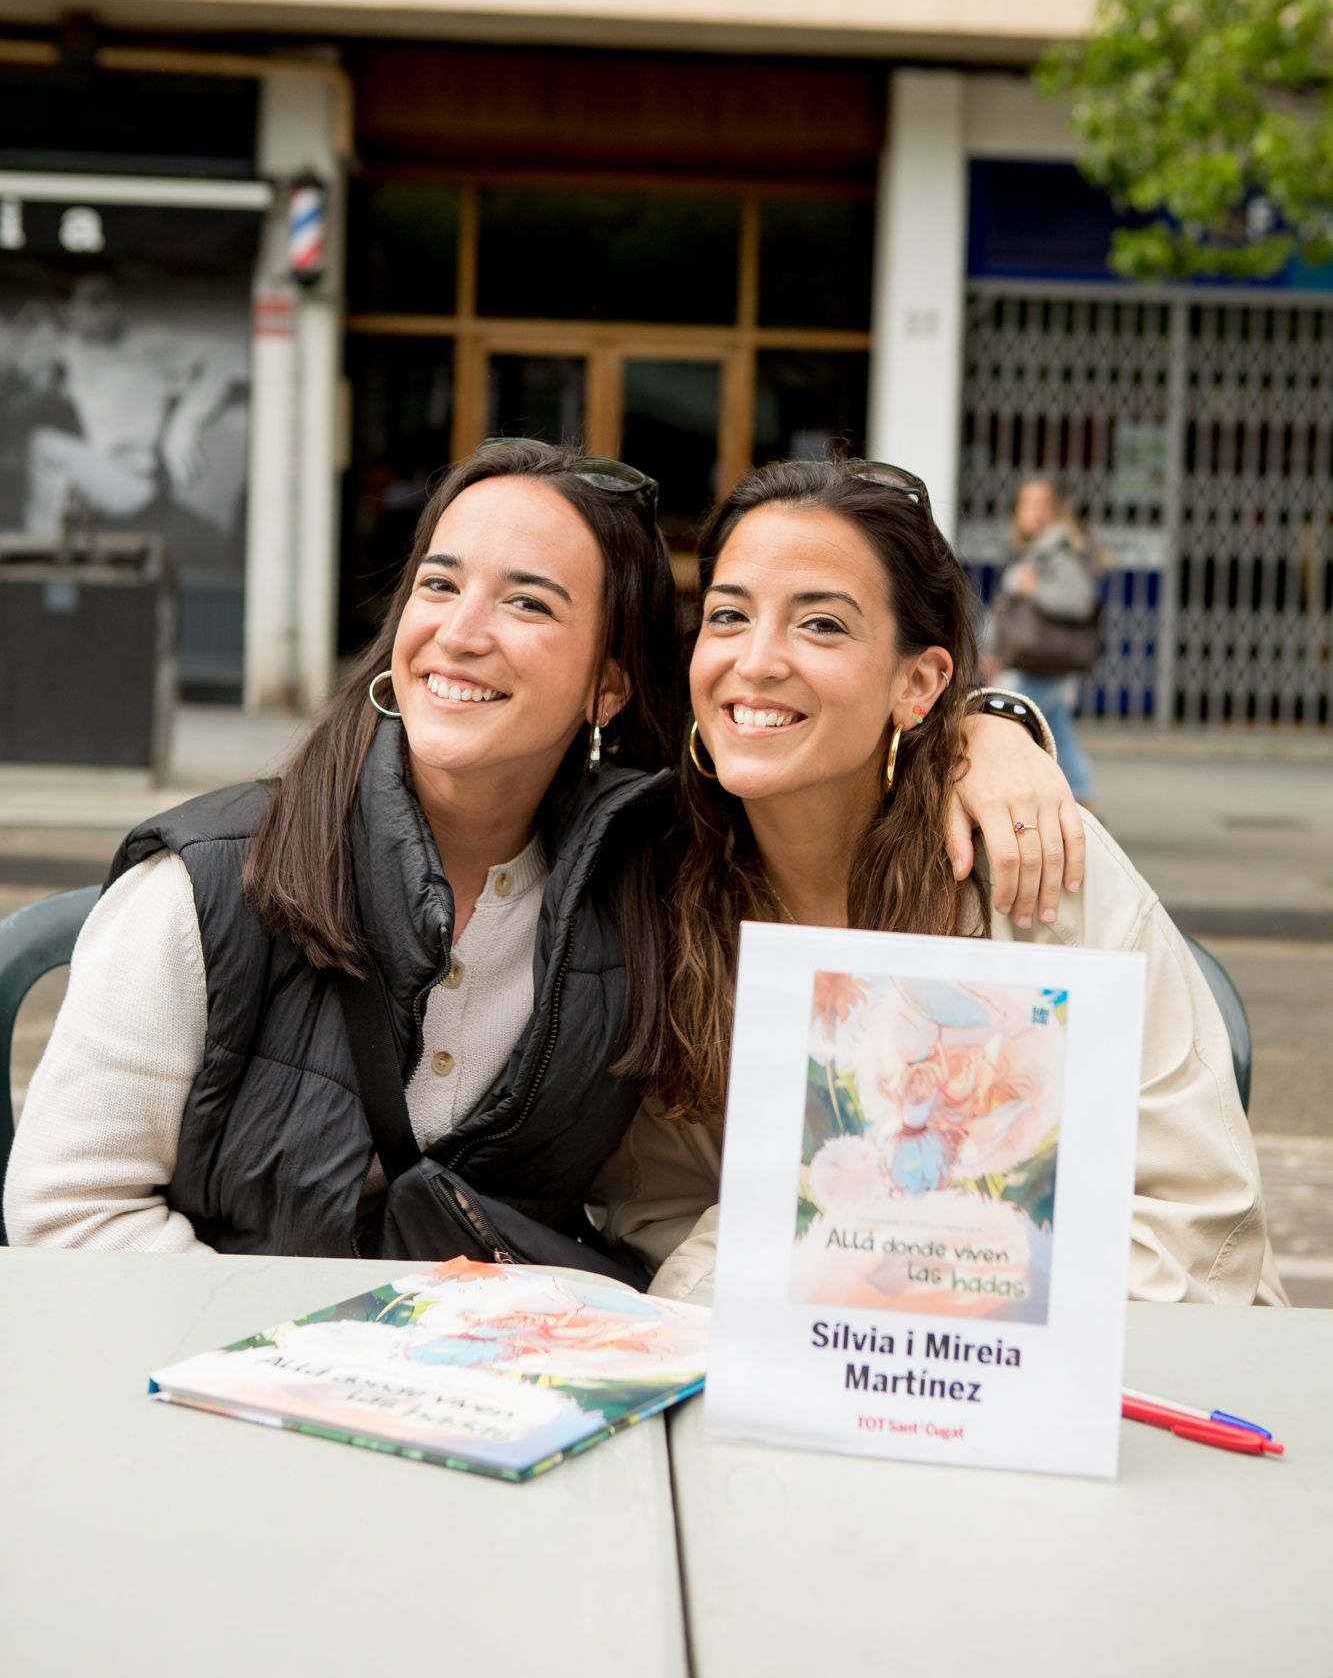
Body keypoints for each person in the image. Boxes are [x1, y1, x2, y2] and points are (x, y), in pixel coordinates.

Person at [5, 440, 1077, 1260]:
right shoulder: (203, 884)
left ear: (608, 684)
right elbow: (67, 1209)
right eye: (438, 583)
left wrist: (986, 727)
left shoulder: (648, 877)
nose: (462, 632)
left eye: (528, 602)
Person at [596, 458, 1285, 1308]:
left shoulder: (1028, 857)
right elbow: (653, 1204)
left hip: (1098, 1384)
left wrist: (891, 1285)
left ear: (917, 684)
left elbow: (1195, 1226)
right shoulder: (667, 887)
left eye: (820, 625)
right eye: (728, 615)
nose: (757, 660)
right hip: (778, 1381)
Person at [988, 476, 1102, 806]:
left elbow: (1080, 601)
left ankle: (1003, 798)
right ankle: (1081, 796)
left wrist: (1034, 589)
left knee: (1005, 720)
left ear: (1055, 511)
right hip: (1032, 658)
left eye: (1042, 505)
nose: (1034, 513)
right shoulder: (1031, 551)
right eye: (1027, 504)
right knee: (1056, 729)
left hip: (1043, 660)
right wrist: (994, 650)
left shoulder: (1060, 552)